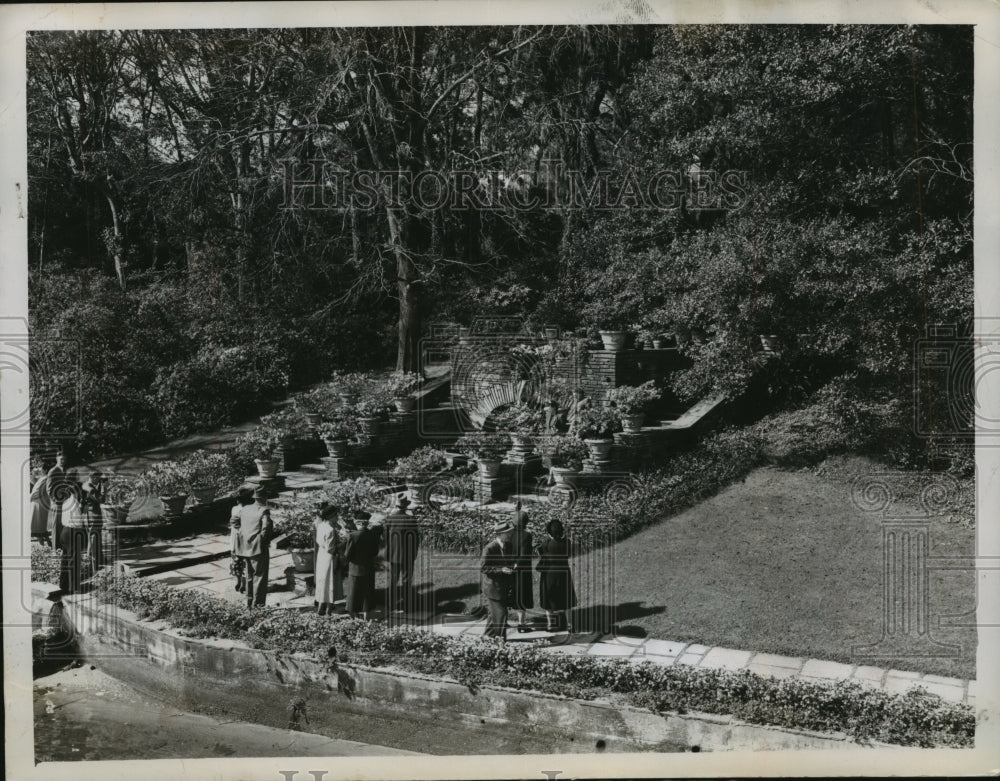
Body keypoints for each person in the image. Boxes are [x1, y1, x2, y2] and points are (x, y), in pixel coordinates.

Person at [233, 486, 274, 608]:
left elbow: (234, 521)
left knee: (250, 577)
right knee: (260, 577)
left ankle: (249, 604)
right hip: (258, 548)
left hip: (245, 548)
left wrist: (244, 534)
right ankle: (258, 606)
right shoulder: (264, 510)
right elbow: (266, 528)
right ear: (264, 498)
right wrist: (261, 539)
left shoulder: (245, 509)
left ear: (255, 497)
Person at [537, 518, 576, 632]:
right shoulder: (567, 542)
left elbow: (543, 559)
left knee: (548, 601)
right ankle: (570, 625)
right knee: (566, 600)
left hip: (549, 574)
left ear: (549, 533)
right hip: (564, 573)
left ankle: (551, 625)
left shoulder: (546, 544)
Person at [384, 496, 421, 614]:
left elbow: (384, 537)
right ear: (406, 507)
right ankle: (407, 606)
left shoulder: (389, 519)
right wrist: (414, 553)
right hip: (407, 555)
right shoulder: (411, 519)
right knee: (406, 581)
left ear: (396, 506)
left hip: (393, 555)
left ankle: (390, 605)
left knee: (393, 581)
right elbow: (416, 539)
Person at [480, 520, 515, 640]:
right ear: (499, 535)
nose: (510, 535)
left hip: (503, 586)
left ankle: (488, 635)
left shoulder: (509, 545)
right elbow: (483, 568)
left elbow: (509, 561)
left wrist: (512, 566)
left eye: (510, 532)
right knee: (501, 614)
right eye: (507, 533)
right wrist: (501, 570)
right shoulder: (489, 548)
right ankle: (500, 640)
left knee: (494, 613)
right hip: (493, 587)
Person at [343, 510, 380, 619]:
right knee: (367, 593)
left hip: (355, 568)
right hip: (369, 567)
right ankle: (366, 616)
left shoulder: (352, 536)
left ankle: (354, 616)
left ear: (357, 522)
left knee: (354, 593)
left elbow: (347, 554)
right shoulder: (373, 535)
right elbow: (375, 552)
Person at [314, 504, 346, 615]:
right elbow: (331, 549)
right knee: (330, 582)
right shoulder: (331, 530)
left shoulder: (320, 526)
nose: (337, 518)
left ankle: (320, 607)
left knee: (322, 581)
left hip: (321, 556)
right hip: (330, 558)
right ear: (330, 516)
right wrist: (343, 543)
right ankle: (328, 610)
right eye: (335, 516)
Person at [509, 503, 534, 631]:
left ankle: (502, 620)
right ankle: (521, 624)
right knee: (521, 596)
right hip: (522, 570)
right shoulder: (527, 536)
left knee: (507, 594)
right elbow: (525, 555)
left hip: (508, 569)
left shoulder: (508, 534)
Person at [79, 469, 106, 577]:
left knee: (93, 540)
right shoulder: (90, 488)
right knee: (94, 540)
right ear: (94, 477)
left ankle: (93, 564)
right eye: (98, 478)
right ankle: (94, 568)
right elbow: (101, 499)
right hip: (92, 516)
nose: (99, 480)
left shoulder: (86, 485)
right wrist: (104, 487)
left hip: (90, 515)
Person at [228, 486, 253, 593]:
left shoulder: (234, 509)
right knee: (248, 562)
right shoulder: (250, 510)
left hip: (236, 540)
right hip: (246, 540)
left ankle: (238, 580)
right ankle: (245, 582)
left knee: (237, 561)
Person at [45, 452, 70, 546]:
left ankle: (62, 545)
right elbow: (49, 488)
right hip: (57, 502)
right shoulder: (53, 471)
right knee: (57, 524)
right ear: (57, 459)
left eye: (64, 459)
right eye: (61, 459)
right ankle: (56, 547)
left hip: (65, 501)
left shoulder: (64, 470)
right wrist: (56, 500)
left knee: (63, 524)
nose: (63, 461)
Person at [29, 465, 51, 544]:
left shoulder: (45, 478)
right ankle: (49, 544)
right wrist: (32, 474)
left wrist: (29, 498)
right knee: (41, 526)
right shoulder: (43, 478)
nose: (39, 471)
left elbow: (37, 491)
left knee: (38, 527)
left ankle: (42, 546)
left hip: (39, 503)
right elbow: (34, 482)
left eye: (41, 469)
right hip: (40, 503)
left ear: (45, 470)